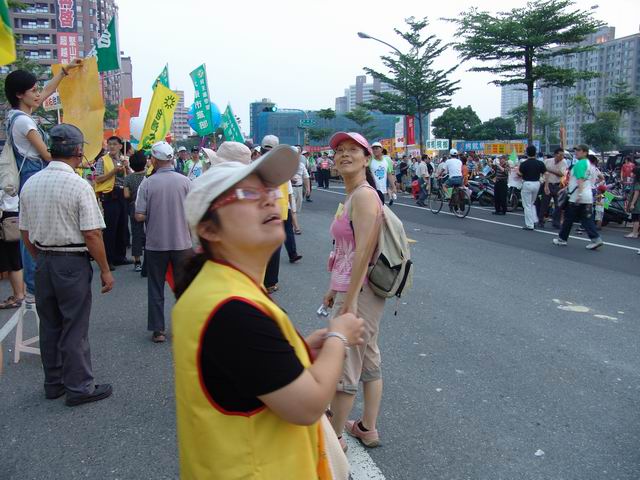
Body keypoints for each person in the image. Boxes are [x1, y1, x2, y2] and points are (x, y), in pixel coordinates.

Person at [173, 144, 362, 479]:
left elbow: (244, 368)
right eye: (247, 194)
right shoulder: (232, 308)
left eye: (269, 191)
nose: (268, 200)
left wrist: (299, 351)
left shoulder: (217, 286)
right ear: (209, 229)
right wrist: (338, 337)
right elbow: (307, 405)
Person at [18, 124, 113, 406]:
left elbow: (25, 231)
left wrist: (39, 257)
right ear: (78, 151)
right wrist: (105, 269)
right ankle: (79, 387)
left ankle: (54, 382)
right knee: (74, 326)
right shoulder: (79, 185)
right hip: (71, 261)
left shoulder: (31, 183)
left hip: (44, 259)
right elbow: (92, 234)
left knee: (49, 325)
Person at [323, 132, 386, 452]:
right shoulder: (352, 195)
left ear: (366, 159)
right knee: (368, 354)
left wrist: (348, 301)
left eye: (353, 150)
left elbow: (364, 251)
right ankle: (367, 428)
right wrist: (333, 288)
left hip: (360, 291)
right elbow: (344, 251)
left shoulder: (363, 196)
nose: (344, 155)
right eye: (340, 151)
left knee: (345, 359)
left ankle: (335, 440)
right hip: (354, 289)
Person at [4, 60, 82, 304]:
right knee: (31, 231)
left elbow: (47, 92)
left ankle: (34, 284)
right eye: (33, 90)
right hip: (32, 174)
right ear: (20, 94)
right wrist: (70, 157)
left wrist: (63, 72)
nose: (38, 94)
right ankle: (33, 286)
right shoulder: (25, 122)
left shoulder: (14, 116)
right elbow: (47, 155)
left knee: (31, 229)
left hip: (29, 175)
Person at [135, 142, 192, 343]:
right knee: (183, 287)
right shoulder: (185, 182)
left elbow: (139, 215)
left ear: (154, 159)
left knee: (155, 286)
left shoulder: (147, 183)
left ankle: (158, 330)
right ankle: (186, 327)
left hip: (156, 243)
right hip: (182, 242)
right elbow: (194, 211)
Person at [553, 144, 604, 250]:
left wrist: (579, 194)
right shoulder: (590, 165)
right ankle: (596, 239)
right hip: (588, 196)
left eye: (578, 150)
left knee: (568, 219)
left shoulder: (580, 164)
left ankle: (562, 239)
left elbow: (580, 180)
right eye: (575, 150)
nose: (576, 152)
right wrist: (566, 189)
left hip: (577, 197)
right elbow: (584, 180)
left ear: (585, 152)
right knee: (587, 219)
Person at [94, 135, 132, 269]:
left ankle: (120, 257)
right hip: (110, 195)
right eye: (110, 144)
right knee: (110, 228)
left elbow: (130, 177)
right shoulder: (102, 160)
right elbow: (98, 179)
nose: (112, 147)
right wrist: (113, 171)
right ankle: (108, 259)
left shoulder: (124, 160)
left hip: (122, 194)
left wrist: (127, 168)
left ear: (121, 146)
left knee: (122, 226)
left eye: (115, 144)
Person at [123, 151, 148, 272]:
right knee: (150, 232)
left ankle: (137, 262)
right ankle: (149, 260)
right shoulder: (149, 176)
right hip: (148, 206)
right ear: (145, 163)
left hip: (134, 207)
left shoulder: (128, 178)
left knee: (136, 234)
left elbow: (126, 195)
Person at [0, 188, 24, 309]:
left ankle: (18, 296)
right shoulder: (11, 176)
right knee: (13, 258)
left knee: (12, 258)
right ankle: (19, 296)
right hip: (11, 214)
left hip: (4, 215)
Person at [518, 145, 547, 230]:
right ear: (535, 153)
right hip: (537, 184)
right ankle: (534, 220)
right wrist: (544, 182)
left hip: (527, 183)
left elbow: (520, 174)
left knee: (527, 205)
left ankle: (530, 225)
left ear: (527, 153)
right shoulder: (540, 163)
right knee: (532, 203)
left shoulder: (524, 163)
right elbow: (546, 174)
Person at [539, 148, 568, 228]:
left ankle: (556, 222)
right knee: (544, 204)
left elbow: (561, 173)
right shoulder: (547, 161)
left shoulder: (564, 162)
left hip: (558, 185)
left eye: (563, 155)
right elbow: (542, 171)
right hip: (547, 184)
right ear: (555, 154)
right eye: (560, 155)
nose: (562, 157)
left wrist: (549, 169)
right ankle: (541, 220)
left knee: (558, 205)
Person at [625, 165, 640, 239]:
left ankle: (634, 233)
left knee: (636, 218)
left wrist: (632, 204)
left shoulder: (637, 183)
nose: (631, 174)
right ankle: (636, 232)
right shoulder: (636, 182)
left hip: (637, 203)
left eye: (632, 172)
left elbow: (636, 194)